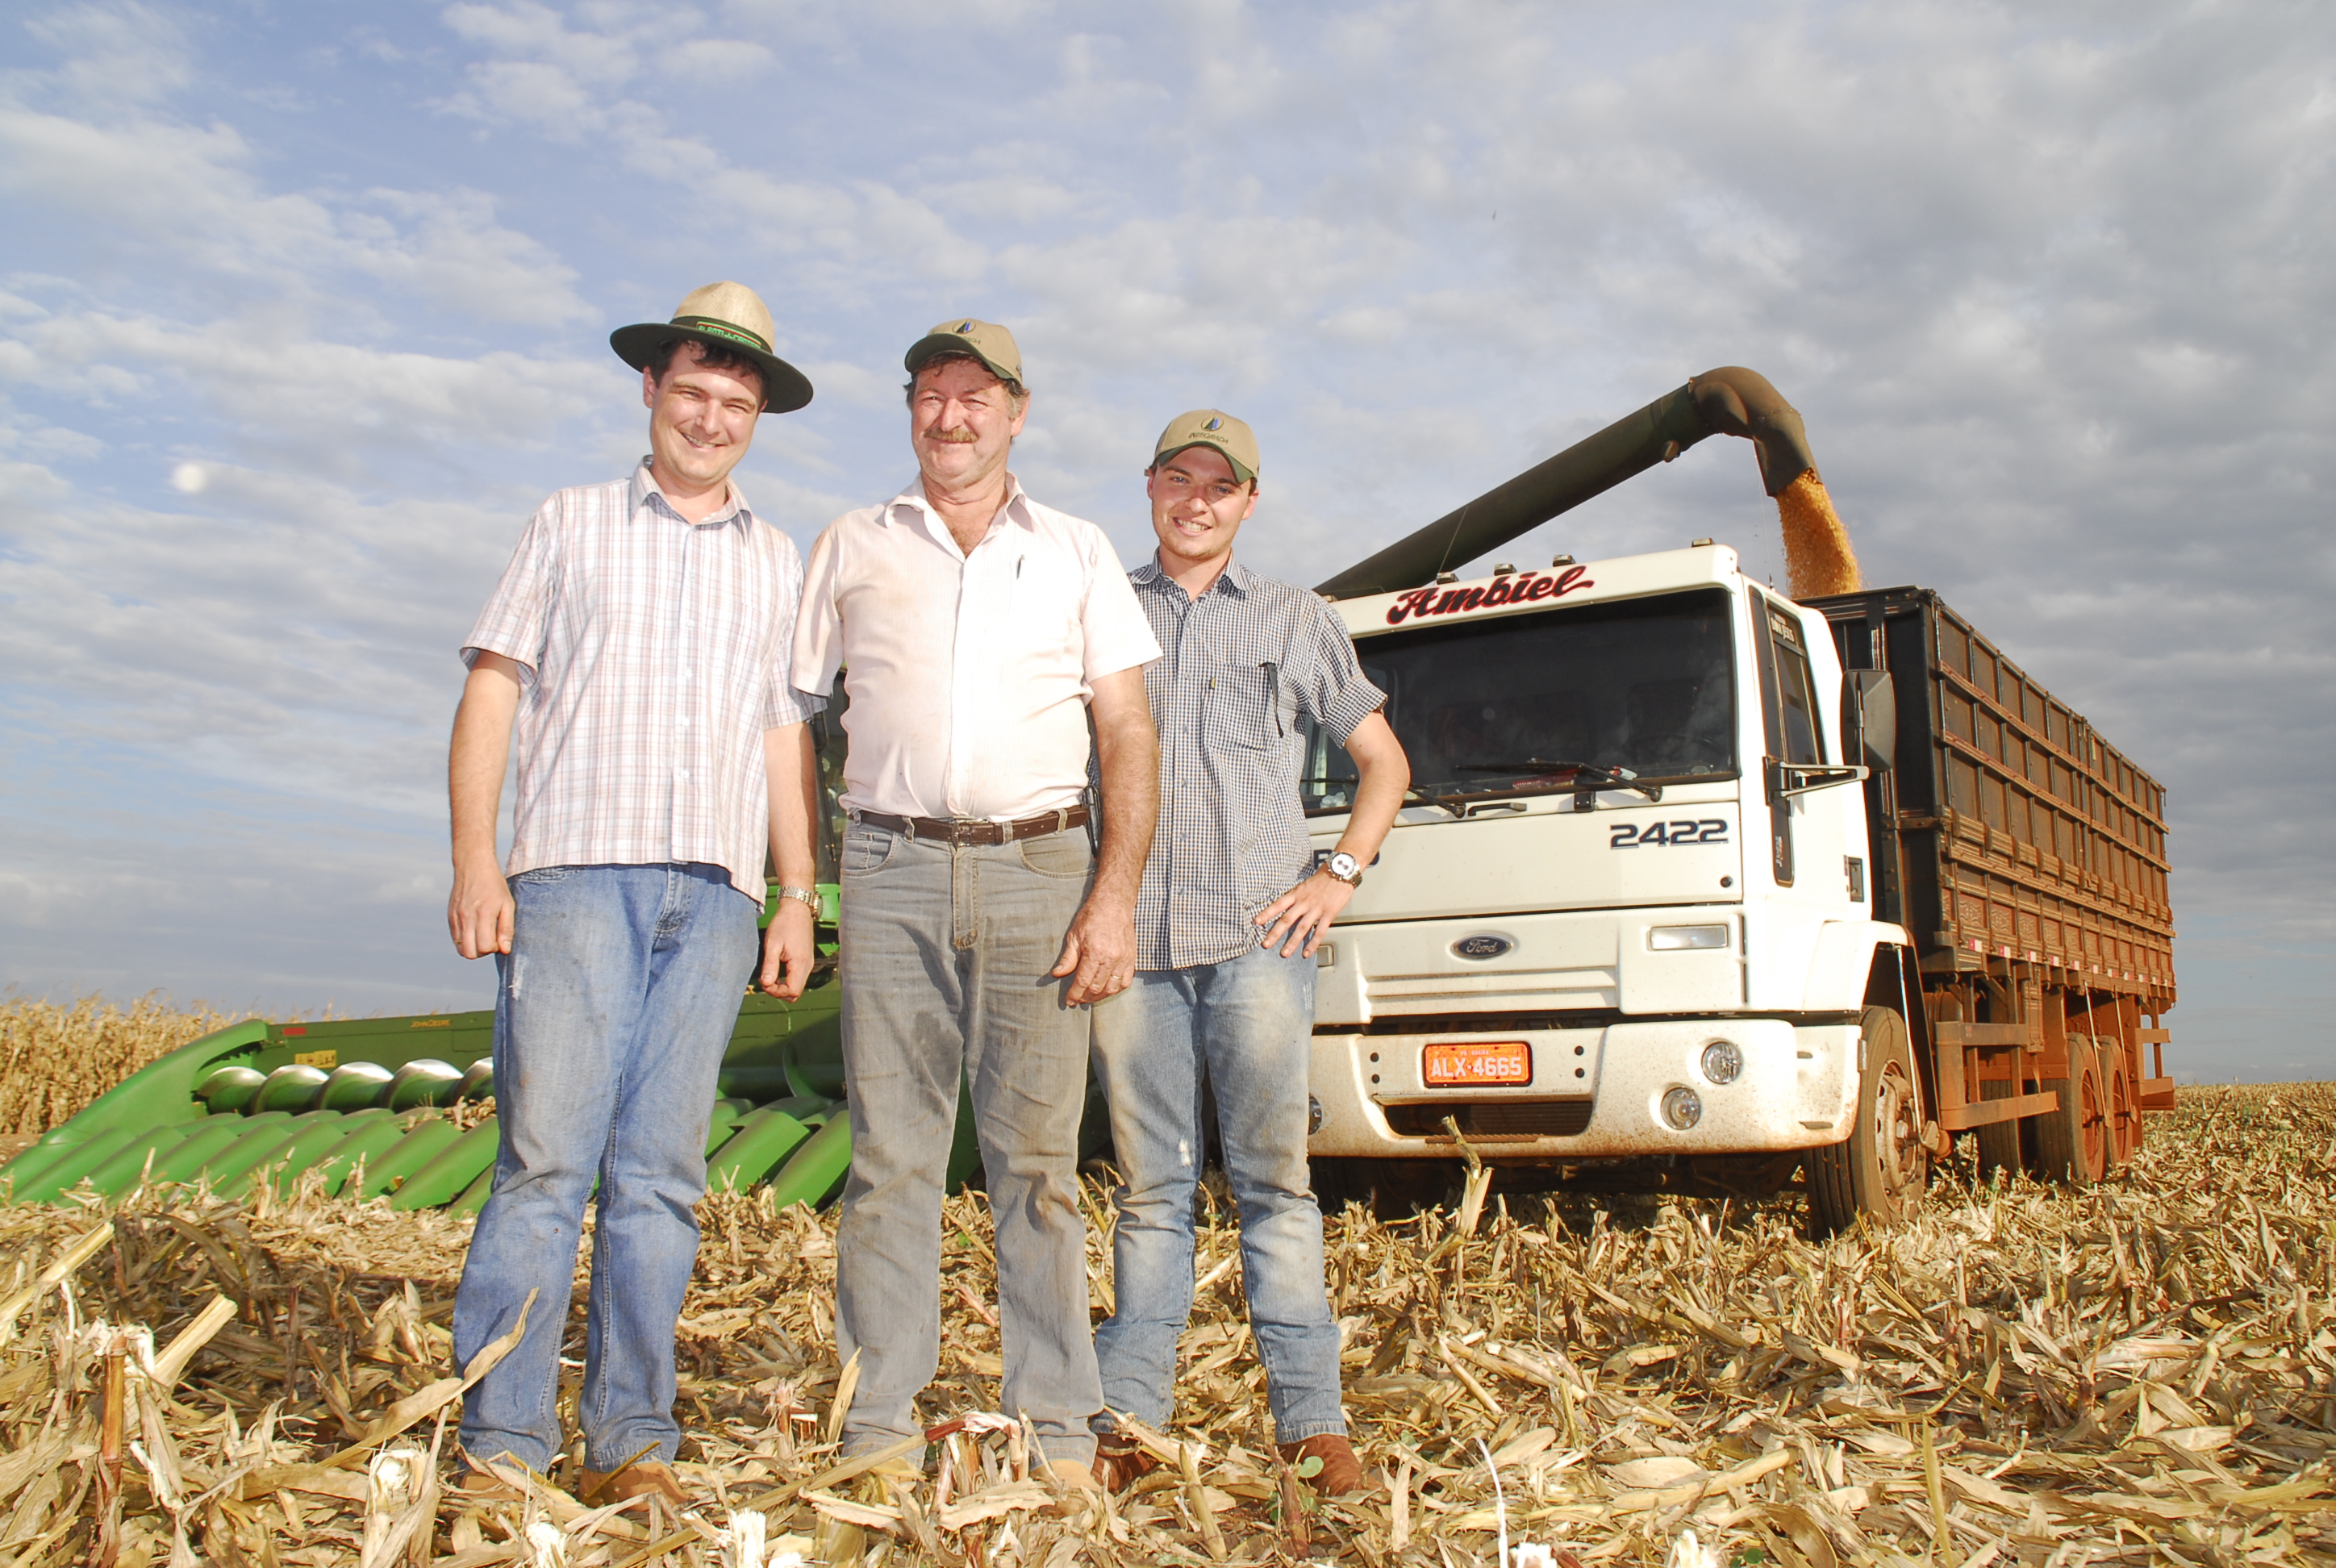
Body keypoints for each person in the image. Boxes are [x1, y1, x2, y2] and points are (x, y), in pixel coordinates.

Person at [444, 283, 825, 1507]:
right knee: (548, 1166)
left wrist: (794, 891)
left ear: (756, 418)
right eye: (693, 393)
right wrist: (474, 861)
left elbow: (781, 738)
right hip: (568, 877)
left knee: (660, 1176)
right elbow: (494, 690)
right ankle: (505, 1446)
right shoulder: (567, 523)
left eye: (736, 403)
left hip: (713, 894)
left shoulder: (778, 561)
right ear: (650, 391)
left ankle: (631, 1443)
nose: (711, 419)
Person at [790, 319, 1161, 1491]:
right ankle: (880, 1426)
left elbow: (1128, 732)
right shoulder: (852, 543)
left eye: (975, 396)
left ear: (1019, 410)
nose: (951, 416)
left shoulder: (1078, 551)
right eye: (931, 394)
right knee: (892, 1161)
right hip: (890, 868)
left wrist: (1113, 897)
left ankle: (1056, 1427)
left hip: (1040, 871)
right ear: (912, 409)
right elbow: (795, 720)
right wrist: (811, 883)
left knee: (1037, 1164)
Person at [1088, 411, 1411, 1495]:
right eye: (1178, 477)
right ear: (1150, 487)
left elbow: (1384, 765)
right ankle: (1129, 1419)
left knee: (1275, 1185)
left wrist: (1339, 875)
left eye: (1218, 485)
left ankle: (1312, 1428)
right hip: (1133, 949)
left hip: (1257, 946)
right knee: (1150, 1191)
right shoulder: (1100, 611)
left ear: (1248, 502)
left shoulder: (1295, 617)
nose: (1196, 498)